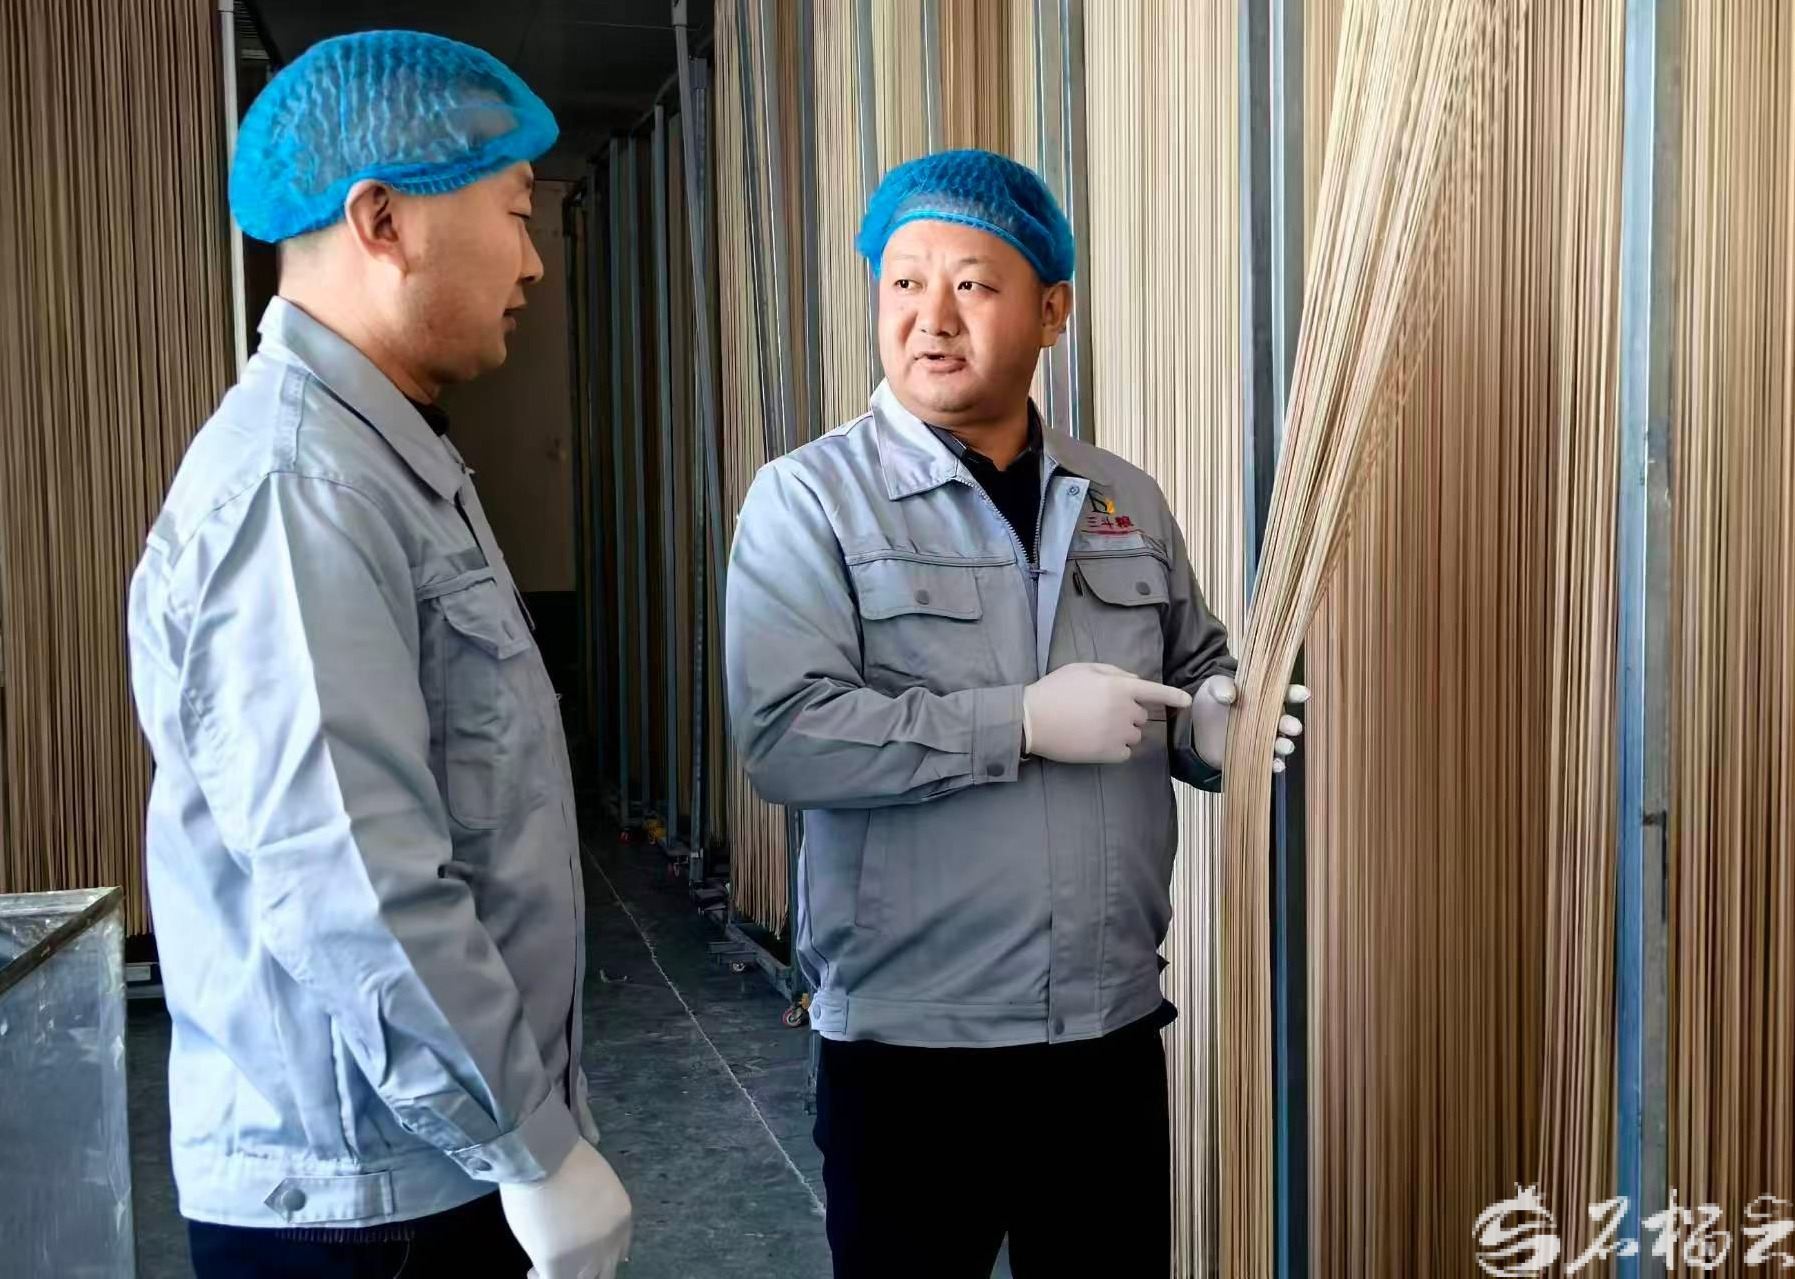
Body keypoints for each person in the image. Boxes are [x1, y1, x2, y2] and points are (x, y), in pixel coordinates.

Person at [724, 149, 1311, 1277]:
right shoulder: (811, 500)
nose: (931, 318)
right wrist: (1021, 723)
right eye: (904, 283)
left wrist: (1213, 727)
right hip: (911, 1045)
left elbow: (1194, 669)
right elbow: (787, 739)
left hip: (1105, 1032)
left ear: (1051, 312)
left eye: (972, 285)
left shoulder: (1120, 498)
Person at [127, 30, 631, 1279]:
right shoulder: (302, 489)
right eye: (514, 213)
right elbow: (349, 874)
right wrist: (528, 1143)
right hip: (368, 1205)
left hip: (421, 1158)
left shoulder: (380, 459)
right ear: (383, 221)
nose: (533, 261)